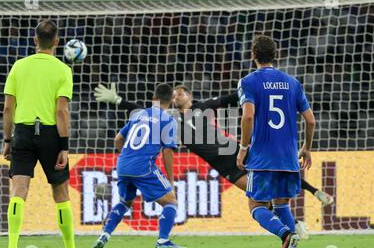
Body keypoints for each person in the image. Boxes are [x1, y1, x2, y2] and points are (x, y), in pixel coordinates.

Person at [94, 83, 332, 239]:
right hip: (225, 167)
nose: (176, 96)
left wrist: (252, 91)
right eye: (174, 94)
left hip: (234, 151)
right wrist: (117, 100)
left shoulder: (203, 107)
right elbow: (141, 111)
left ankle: (314, 192)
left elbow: (230, 98)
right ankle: (293, 225)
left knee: (275, 174)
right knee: (258, 197)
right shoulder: (170, 119)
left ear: (189, 95)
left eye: (180, 92)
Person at [1, 19, 90, 248]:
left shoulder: (19, 66)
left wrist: (8, 139)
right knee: (61, 194)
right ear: (58, 42)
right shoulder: (63, 70)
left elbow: (8, 108)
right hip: (50, 134)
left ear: (34, 40)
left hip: (23, 133)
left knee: (19, 192)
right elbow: (62, 111)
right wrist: (64, 146)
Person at [236, 34, 316, 248]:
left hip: (262, 158)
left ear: (253, 55)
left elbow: (248, 116)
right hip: (289, 158)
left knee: (256, 206)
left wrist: (243, 149)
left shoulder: (248, 81)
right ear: (275, 55)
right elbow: (310, 121)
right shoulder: (293, 83)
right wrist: (307, 148)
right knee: (281, 206)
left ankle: (284, 234)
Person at [94, 84, 186, 248]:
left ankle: (104, 234)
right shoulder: (168, 121)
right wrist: (170, 180)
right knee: (171, 201)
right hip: (143, 167)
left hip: (122, 164)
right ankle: (163, 240)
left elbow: (117, 140)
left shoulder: (138, 115)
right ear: (170, 101)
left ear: (153, 98)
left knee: (125, 201)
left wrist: (127, 157)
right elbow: (168, 152)